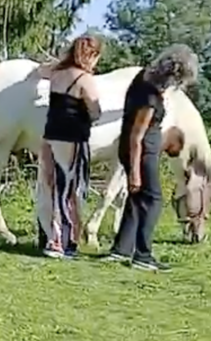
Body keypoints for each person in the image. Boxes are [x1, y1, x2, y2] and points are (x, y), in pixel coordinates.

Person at [103, 44, 201, 272]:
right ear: (174, 75)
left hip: (134, 149)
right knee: (153, 201)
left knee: (136, 200)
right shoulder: (150, 98)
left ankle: (121, 250)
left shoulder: (141, 79)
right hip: (141, 152)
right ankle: (143, 255)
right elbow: (137, 136)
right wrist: (136, 172)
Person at [34, 34, 103, 258]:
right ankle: (62, 242)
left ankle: (54, 237)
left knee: (52, 186)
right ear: (91, 55)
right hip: (72, 137)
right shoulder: (85, 79)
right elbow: (95, 112)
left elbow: (39, 71)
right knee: (68, 190)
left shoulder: (56, 73)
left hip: (50, 133)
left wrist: (59, 61)